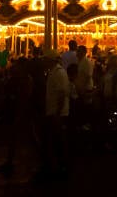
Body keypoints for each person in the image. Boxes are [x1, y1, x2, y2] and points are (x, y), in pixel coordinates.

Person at [41, 48, 70, 179]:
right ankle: (57, 165)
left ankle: (62, 166)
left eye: (46, 60)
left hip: (57, 112)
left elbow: (62, 93)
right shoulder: (53, 72)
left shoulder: (58, 72)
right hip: (53, 110)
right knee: (54, 139)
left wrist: (58, 111)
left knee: (59, 139)